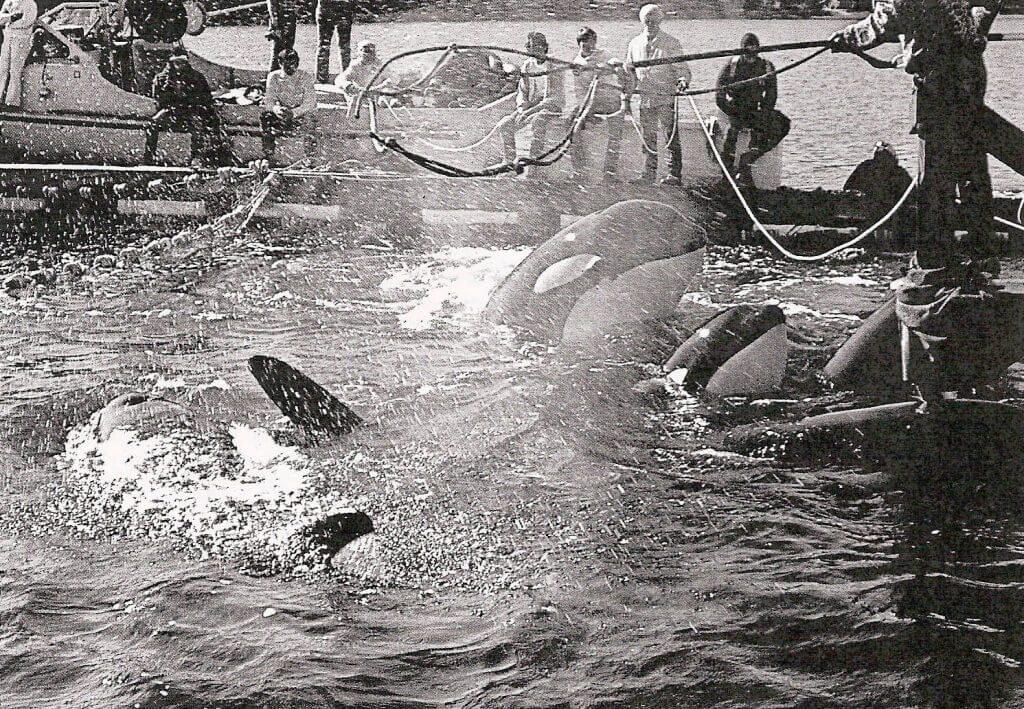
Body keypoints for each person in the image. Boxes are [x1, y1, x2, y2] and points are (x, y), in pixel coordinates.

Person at [830, 0, 994, 266]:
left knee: (934, 176)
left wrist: (846, 38)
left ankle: (933, 263)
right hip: (969, 76)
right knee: (971, 168)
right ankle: (983, 257)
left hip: (938, 81)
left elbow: (886, 19)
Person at [625, 3, 691, 185]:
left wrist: (683, 81)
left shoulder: (671, 43)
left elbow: (683, 69)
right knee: (648, 137)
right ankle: (648, 173)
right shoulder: (634, 44)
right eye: (647, 22)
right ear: (642, 22)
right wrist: (627, 98)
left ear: (660, 21)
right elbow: (629, 73)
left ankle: (674, 174)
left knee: (670, 136)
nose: (651, 25)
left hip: (665, 97)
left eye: (654, 21)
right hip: (646, 98)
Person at [715, 32, 790, 185]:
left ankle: (748, 160)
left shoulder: (766, 67)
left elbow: (771, 95)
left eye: (754, 50)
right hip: (735, 108)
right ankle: (727, 175)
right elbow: (719, 96)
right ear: (741, 50)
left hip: (755, 109)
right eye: (747, 50)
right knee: (731, 133)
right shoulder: (732, 66)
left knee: (782, 124)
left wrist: (763, 114)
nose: (750, 55)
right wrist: (732, 112)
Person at [143, 51, 232, 165]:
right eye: (177, 63)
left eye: (182, 63)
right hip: (171, 111)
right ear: (171, 63)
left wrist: (190, 102)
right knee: (153, 124)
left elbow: (205, 98)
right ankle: (149, 156)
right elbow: (159, 99)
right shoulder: (161, 78)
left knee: (198, 124)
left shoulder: (196, 77)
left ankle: (196, 157)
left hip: (191, 110)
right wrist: (171, 100)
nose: (180, 66)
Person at [499, 31, 565, 175]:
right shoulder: (527, 66)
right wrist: (522, 109)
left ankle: (533, 167)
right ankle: (509, 164)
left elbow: (554, 97)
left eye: (536, 47)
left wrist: (530, 112)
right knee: (504, 125)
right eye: (530, 47)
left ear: (544, 47)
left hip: (550, 107)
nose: (532, 50)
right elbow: (522, 92)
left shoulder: (554, 66)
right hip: (531, 107)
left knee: (537, 122)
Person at [565, 27, 625, 183]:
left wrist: (612, 66)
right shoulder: (576, 62)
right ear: (579, 43)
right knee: (571, 124)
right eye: (584, 41)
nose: (587, 44)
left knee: (615, 135)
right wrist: (584, 110)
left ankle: (610, 173)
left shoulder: (604, 55)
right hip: (589, 102)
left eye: (591, 41)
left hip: (610, 100)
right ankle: (579, 169)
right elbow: (579, 91)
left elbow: (615, 63)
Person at [262, 48, 316, 162]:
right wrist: (276, 109)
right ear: (280, 63)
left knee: (310, 120)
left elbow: (310, 102)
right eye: (287, 65)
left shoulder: (305, 77)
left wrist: (294, 113)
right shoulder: (274, 77)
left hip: (299, 114)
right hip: (282, 114)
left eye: (294, 64)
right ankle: (269, 154)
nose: (292, 68)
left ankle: (310, 157)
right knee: (266, 117)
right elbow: (269, 100)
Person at [0, 0, 39, 108]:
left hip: (21, 39)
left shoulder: (30, 3)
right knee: (3, 68)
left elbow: (26, 21)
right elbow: (1, 17)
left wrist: (10, 21)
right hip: (8, 37)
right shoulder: (9, 1)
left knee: (15, 69)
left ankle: (12, 101)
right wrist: (11, 18)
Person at [316, 0, 354, 84]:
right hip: (332, 10)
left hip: (336, 10)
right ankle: (323, 78)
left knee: (326, 46)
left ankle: (346, 76)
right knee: (327, 46)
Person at [266, 0, 298, 72]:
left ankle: (280, 74)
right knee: (278, 48)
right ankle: (273, 75)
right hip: (281, 18)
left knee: (286, 48)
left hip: (289, 17)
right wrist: (274, 22)